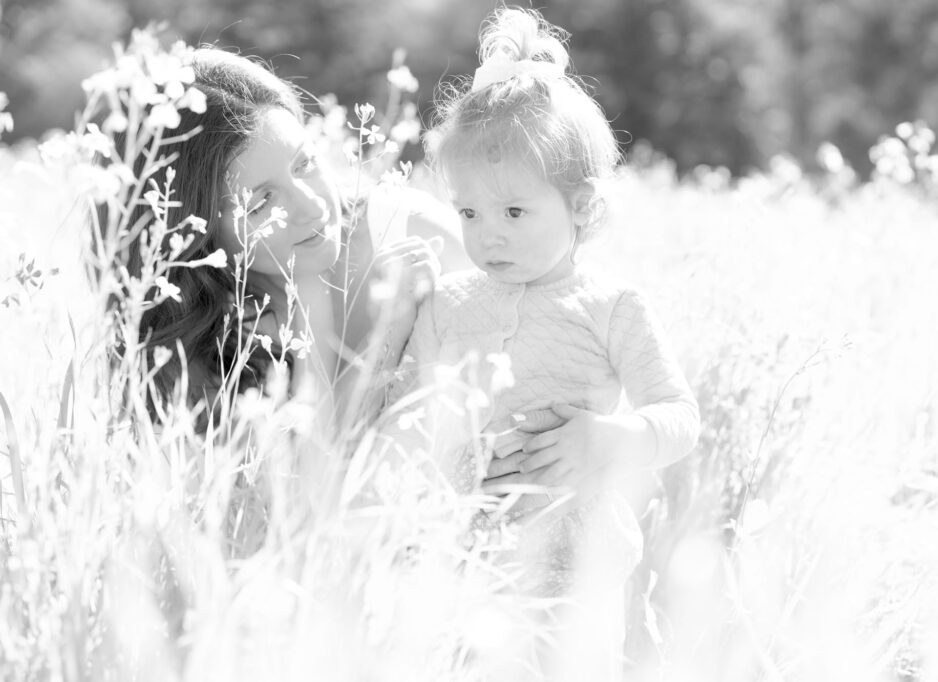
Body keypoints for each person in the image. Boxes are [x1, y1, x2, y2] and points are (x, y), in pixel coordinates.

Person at [387, 6, 701, 679]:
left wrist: (615, 437)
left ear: (582, 208)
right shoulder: (446, 301)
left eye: (514, 212)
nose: (487, 234)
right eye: (468, 212)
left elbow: (680, 417)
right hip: (470, 555)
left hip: (579, 561)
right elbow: (415, 420)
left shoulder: (612, 306)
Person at [104, 47, 456, 435]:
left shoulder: (410, 231)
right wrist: (392, 329)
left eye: (304, 164)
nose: (311, 206)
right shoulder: (194, 339)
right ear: (196, 234)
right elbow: (298, 485)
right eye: (261, 202)